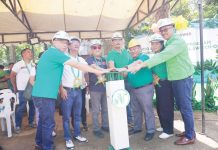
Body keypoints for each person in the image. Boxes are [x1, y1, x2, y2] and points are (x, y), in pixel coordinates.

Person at [32, 31, 106, 150]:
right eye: (62, 41)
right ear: (53, 41)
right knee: (48, 123)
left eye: (66, 42)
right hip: (45, 94)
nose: (65, 45)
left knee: (43, 121)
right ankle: (47, 147)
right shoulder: (55, 53)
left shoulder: (53, 53)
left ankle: (40, 143)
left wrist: (98, 69)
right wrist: (98, 71)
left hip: (44, 93)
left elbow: (82, 64)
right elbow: (76, 65)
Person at [128, 18, 195, 145]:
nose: (164, 32)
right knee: (181, 107)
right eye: (162, 30)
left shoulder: (177, 42)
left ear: (173, 28)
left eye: (166, 29)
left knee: (185, 108)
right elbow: (158, 59)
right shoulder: (169, 42)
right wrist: (140, 63)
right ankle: (188, 131)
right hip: (175, 79)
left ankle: (190, 136)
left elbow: (162, 56)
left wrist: (140, 65)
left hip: (183, 78)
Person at [59, 36, 88, 149]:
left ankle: (77, 134)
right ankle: (67, 138)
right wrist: (61, 89)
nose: (76, 44)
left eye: (78, 43)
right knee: (66, 117)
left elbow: (85, 70)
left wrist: (84, 80)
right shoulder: (63, 58)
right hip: (68, 91)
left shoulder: (81, 60)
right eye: (73, 43)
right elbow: (59, 75)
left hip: (78, 90)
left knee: (77, 115)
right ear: (69, 46)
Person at [127, 39, 155, 141]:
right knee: (136, 110)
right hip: (134, 89)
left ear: (139, 48)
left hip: (145, 89)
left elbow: (139, 63)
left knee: (147, 110)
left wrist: (128, 67)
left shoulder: (144, 57)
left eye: (135, 48)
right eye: (131, 49)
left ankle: (150, 130)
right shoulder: (130, 60)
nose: (133, 51)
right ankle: (137, 128)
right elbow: (127, 72)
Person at [107, 32, 134, 127]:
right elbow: (112, 67)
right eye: (115, 40)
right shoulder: (111, 54)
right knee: (124, 102)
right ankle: (128, 122)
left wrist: (128, 70)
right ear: (112, 42)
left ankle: (132, 121)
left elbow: (132, 63)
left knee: (132, 101)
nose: (118, 42)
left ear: (123, 41)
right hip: (119, 82)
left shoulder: (127, 52)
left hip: (131, 80)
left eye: (119, 40)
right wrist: (123, 71)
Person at [150, 34, 174, 139]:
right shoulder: (155, 55)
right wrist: (154, 76)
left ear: (161, 44)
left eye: (157, 43)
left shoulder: (165, 54)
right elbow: (153, 69)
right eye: (152, 43)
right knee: (159, 106)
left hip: (166, 83)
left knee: (166, 107)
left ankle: (169, 131)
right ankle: (164, 126)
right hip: (158, 84)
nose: (154, 46)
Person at [86, 39, 109, 139]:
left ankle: (105, 125)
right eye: (94, 47)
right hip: (95, 88)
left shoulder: (104, 59)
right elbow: (95, 69)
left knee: (105, 109)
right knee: (95, 110)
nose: (97, 49)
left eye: (99, 47)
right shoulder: (89, 59)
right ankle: (96, 129)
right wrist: (107, 70)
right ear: (91, 49)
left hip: (105, 88)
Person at [10, 48, 36, 133]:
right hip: (22, 89)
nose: (31, 53)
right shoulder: (18, 64)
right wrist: (15, 87)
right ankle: (17, 125)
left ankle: (31, 122)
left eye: (31, 52)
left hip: (32, 88)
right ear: (23, 54)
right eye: (28, 52)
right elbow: (12, 76)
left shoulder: (33, 64)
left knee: (32, 106)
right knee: (21, 107)